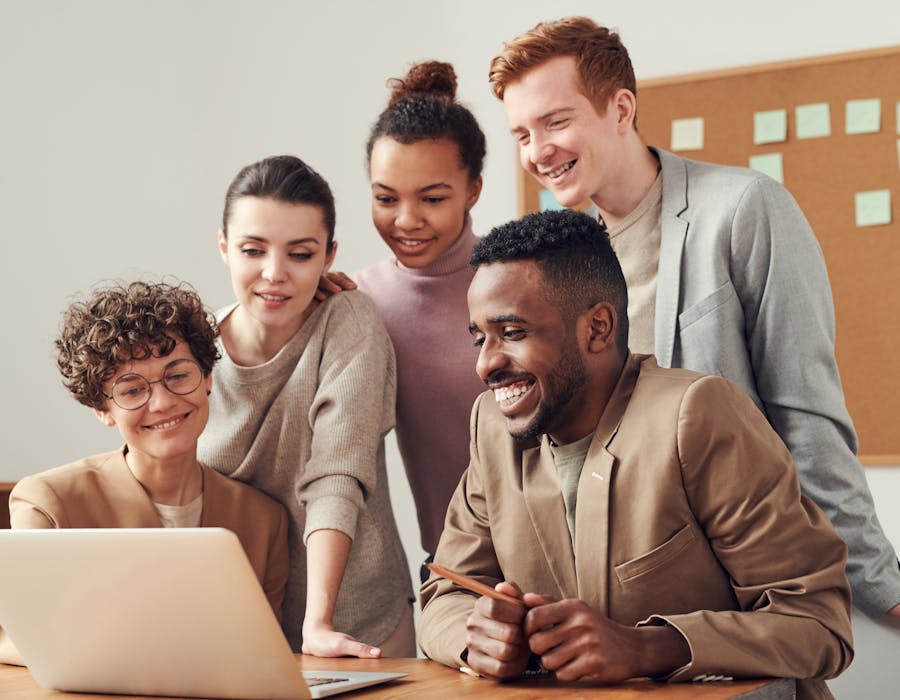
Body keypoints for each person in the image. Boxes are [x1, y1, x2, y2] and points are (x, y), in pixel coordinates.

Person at [487, 16, 900, 621]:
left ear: (621, 108)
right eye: (522, 133)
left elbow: (805, 413)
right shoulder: (557, 262)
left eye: (556, 121)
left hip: (743, 592)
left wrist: (881, 586)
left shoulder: (742, 209)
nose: (537, 151)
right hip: (606, 600)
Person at [419, 210, 853, 699]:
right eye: (480, 338)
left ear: (598, 328)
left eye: (512, 333)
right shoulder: (492, 429)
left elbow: (819, 625)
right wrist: (477, 638)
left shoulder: (697, 416)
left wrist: (646, 647)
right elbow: (445, 594)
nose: (485, 364)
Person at [1, 281, 289, 664]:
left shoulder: (263, 519)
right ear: (102, 410)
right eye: (132, 390)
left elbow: (263, 656)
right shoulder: (48, 503)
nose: (164, 402)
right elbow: (22, 641)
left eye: (178, 375)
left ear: (207, 379)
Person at [196, 155, 414, 658]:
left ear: (328, 256)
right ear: (225, 247)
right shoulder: (193, 347)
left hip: (354, 624)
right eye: (253, 250)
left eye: (299, 254)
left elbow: (336, 472)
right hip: (236, 630)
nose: (274, 274)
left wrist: (318, 624)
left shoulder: (348, 322)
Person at [352, 60, 487, 573]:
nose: (406, 221)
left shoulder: (520, 280)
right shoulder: (360, 300)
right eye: (386, 198)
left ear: (473, 189)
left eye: (432, 198)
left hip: (566, 558)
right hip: (455, 569)